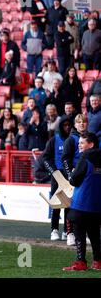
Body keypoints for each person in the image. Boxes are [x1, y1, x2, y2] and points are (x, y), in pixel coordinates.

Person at [63, 133, 101, 271]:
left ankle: (81, 262)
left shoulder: (85, 157)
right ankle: (98, 261)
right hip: (97, 204)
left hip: (82, 202)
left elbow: (74, 179)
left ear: (91, 144)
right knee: (95, 233)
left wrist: (72, 174)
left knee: (79, 232)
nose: (79, 145)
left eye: (82, 143)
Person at [43, 116, 73, 242]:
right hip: (57, 176)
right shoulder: (54, 140)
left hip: (69, 175)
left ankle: (67, 230)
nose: (67, 127)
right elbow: (45, 158)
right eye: (65, 125)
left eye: (69, 125)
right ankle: (54, 229)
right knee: (56, 203)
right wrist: (53, 171)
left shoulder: (72, 140)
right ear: (61, 126)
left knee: (69, 204)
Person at [61, 113, 88, 246]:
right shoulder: (70, 140)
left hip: (87, 177)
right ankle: (69, 233)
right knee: (70, 205)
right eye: (79, 122)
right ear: (75, 125)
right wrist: (70, 175)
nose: (81, 124)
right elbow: (65, 158)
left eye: (83, 122)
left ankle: (85, 233)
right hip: (74, 176)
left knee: (85, 205)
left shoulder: (90, 138)